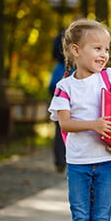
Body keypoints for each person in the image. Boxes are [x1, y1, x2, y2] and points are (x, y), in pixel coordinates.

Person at [48, 19, 111, 221]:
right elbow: (65, 124)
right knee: (80, 218)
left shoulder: (110, 77)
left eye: (106, 49)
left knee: (102, 219)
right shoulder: (65, 86)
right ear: (76, 50)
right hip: (78, 163)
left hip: (107, 160)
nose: (104, 54)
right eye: (97, 48)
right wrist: (93, 125)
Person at [48, 29, 67, 173]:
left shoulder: (59, 68)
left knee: (60, 128)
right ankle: (62, 160)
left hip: (58, 97)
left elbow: (51, 86)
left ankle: (60, 161)